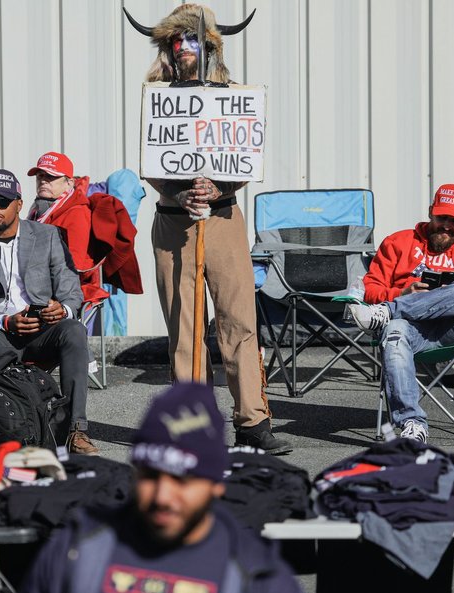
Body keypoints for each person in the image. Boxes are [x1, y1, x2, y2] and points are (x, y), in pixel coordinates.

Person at [130, 3, 290, 454]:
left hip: (223, 219)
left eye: (193, 40)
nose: (184, 48)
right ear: (167, 47)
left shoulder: (233, 96)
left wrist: (217, 185)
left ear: (209, 47)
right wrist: (178, 194)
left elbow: (245, 159)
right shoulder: (157, 97)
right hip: (172, 223)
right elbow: (152, 163)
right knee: (183, 328)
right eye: (176, 41)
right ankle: (191, 426)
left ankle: (253, 423)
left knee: (238, 320)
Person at [22, 381, 303, 593]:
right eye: (151, 476)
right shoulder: (78, 548)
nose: (163, 496)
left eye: (182, 480)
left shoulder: (256, 576)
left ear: (217, 484)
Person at [0, 169, 96, 461]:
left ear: (19, 203)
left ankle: (76, 430)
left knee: (74, 329)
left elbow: (71, 290)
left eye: (2, 200)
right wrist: (5, 320)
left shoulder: (48, 236)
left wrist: (61, 308)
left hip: (43, 331)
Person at [349, 184, 454, 442]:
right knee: (393, 331)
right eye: (442, 218)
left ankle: (387, 312)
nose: (447, 226)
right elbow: (370, 289)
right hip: (412, 329)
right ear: (431, 212)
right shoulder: (398, 242)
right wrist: (404, 294)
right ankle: (412, 424)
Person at [25, 151, 109, 304]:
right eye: (40, 176)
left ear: (69, 183)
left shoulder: (77, 212)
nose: (43, 181)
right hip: (33, 280)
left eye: (51, 176)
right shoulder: (38, 207)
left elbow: (72, 266)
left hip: (60, 290)